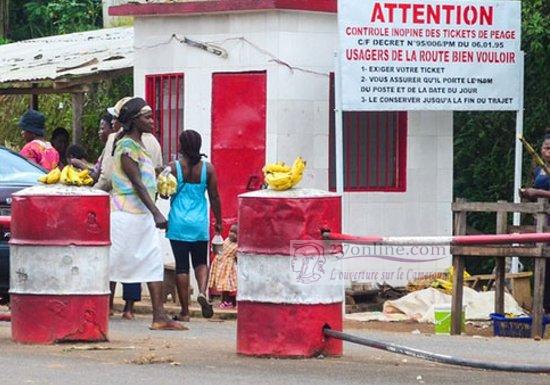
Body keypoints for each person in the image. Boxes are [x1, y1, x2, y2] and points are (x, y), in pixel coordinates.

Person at [109, 96, 184, 330]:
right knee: (113, 262)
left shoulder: (140, 145)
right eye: (147, 117)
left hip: (140, 216)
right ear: (133, 120)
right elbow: (137, 183)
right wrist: (156, 213)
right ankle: (101, 308)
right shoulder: (126, 146)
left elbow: (146, 180)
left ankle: (159, 315)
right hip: (127, 215)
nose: (152, 121)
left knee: (152, 261)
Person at [166, 130, 222, 321]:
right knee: (200, 262)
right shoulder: (208, 169)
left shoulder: (174, 167)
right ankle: (203, 292)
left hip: (178, 223)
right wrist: (219, 222)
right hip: (199, 224)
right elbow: (214, 197)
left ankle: (184, 312)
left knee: (182, 267)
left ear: (181, 145)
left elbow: (165, 192)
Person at [208, 223, 238, 308]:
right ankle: (224, 301)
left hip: (229, 268)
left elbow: (237, 258)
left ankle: (229, 301)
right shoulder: (226, 240)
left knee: (228, 285)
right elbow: (220, 250)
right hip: (220, 266)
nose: (232, 234)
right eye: (231, 231)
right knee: (223, 284)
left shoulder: (237, 246)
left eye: (235, 233)